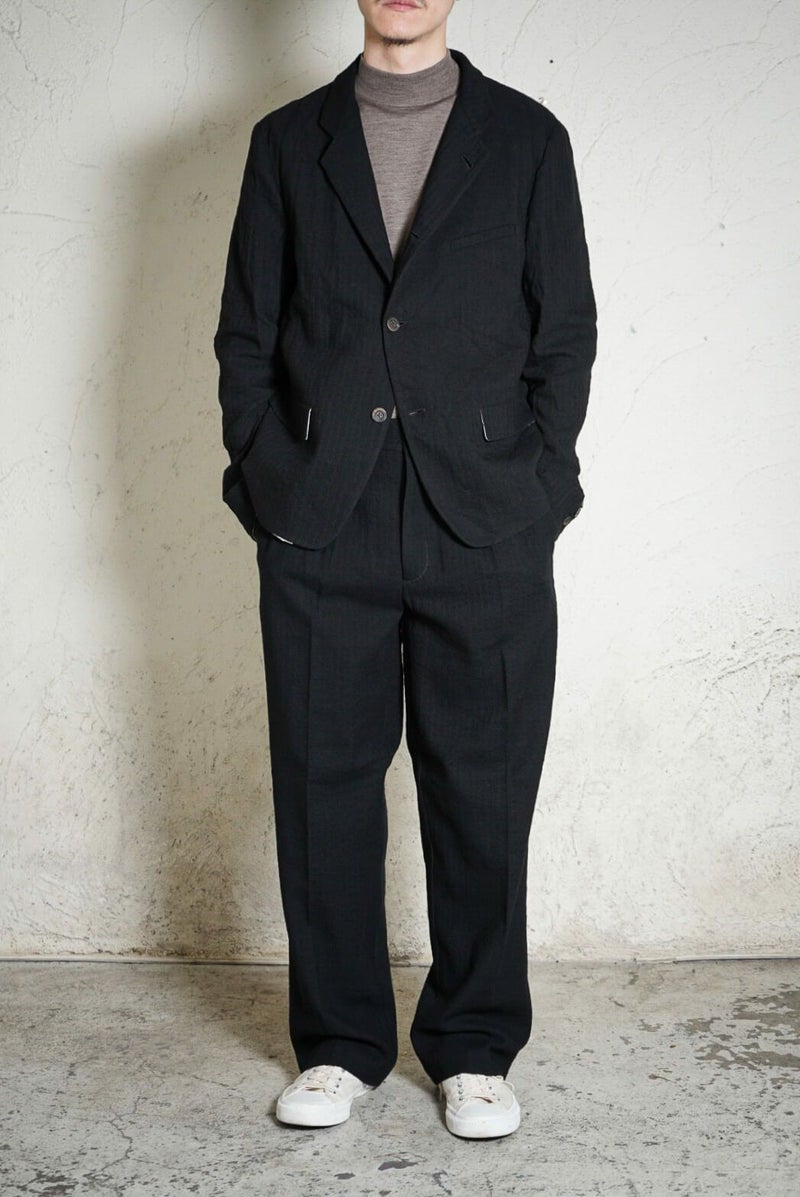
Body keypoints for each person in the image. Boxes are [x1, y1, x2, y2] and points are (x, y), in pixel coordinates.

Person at [214, 0, 596, 1139]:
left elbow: (564, 330)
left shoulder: (527, 138)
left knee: (484, 786)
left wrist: (538, 488)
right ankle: (338, 1043)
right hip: (322, 517)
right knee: (321, 786)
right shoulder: (288, 141)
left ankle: (474, 1046)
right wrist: (269, 480)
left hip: (483, 519)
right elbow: (246, 331)